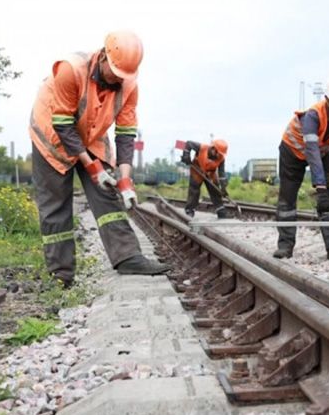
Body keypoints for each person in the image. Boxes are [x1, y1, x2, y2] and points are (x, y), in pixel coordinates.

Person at [28, 30, 169, 288]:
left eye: (123, 75)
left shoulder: (128, 86)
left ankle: (128, 257)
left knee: (107, 194)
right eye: (114, 72)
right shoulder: (71, 70)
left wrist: (124, 180)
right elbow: (63, 124)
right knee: (55, 206)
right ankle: (61, 275)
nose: (118, 79)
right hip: (52, 136)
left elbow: (126, 134)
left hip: (91, 135)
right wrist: (92, 167)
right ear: (103, 56)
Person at [274, 74, 329, 261]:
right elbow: (311, 150)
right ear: (327, 99)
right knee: (287, 200)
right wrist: (319, 186)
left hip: (322, 150)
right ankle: (285, 246)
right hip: (293, 152)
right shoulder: (312, 115)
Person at [180, 139, 230, 218]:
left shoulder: (221, 159)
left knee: (215, 188)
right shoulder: (202, 147)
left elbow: (222, 174)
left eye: (220, 153)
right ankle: (190, 210)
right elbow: (188, 143)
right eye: (217, 152)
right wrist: (186, 154)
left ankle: (220, 209)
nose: (218, 155)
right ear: (213, 148)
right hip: (197, 169)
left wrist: (223, 188)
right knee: (194, 190)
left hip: (210, 173)